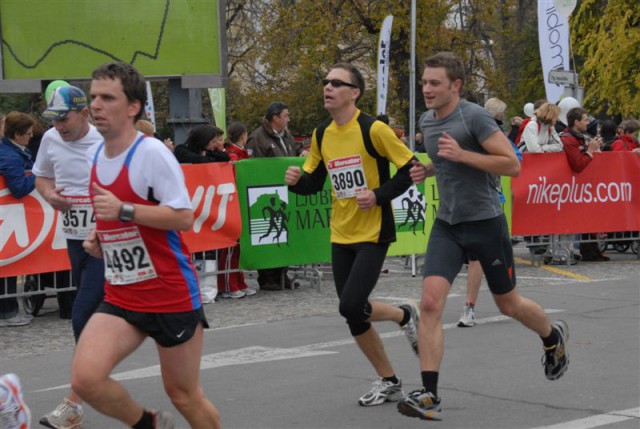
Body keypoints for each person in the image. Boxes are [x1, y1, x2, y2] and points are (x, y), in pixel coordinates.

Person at [397, 52, 569, 421]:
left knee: (509, 305)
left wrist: (461, 155)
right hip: (448, 224)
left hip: (486, 223)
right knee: (429, 303)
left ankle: (552, 338)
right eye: (424, 82)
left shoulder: (474, 116)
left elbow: (512, 164)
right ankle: (430, 394)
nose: (426, 89)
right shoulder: (427, 121)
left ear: (455, 86)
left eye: (434, 83)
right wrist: (428, 168)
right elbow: (446, 162)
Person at [72, 61, 221, 429]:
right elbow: (115, 216)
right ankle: (147, 424)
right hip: (123, 293)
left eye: (108, 98)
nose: (97, 106)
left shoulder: (152, 153)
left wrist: (124, 211)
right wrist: (100, 233)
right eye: (94, 97)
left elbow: (183, 217)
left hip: (170, 294)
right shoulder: (95, 154)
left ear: (133, 106)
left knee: (184, 395)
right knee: (86, 380)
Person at [284, 62, 420, 408]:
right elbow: (315, 183)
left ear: (354, 92)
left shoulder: (373, 130)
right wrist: (298, 182)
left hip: (374, 231)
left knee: (350, 305)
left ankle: (404, 317)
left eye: (336, 83)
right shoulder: (320, 133)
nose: (327, 87)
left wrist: (377, 195)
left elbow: (410, 170)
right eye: (325, 81)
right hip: (341, 232)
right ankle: (391, 375)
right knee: (352, 313)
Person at [33, 85, 106, 429]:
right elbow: (42, 175)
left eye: (64, 118)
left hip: (108, 241)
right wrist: (51, 196)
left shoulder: (106, 141)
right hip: (76, 239)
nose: (59, 125)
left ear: (84, 114)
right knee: (99, 320)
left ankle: (75, 402)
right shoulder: (50, 139)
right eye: (54, 119)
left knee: (81, 316)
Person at [247, 101, 303, 291]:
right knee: (269, 233)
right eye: (286, 115)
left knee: (285, 232)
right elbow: (253, 165)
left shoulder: (286, 135)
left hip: (285, 191)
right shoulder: (257, 137)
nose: (289, 119)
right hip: (266, 194)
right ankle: (267, 276)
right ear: (275, 118)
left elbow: (293, 152)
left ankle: (281, 272)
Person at [0, 111, 36, 327]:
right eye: (28, 133)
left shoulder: (13, 151)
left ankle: (9, 310)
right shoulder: (10, 155)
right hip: (9, 216)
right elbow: (19, 189)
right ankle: (8, 312)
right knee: (8, 263)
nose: (31, 136)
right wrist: (39, 175)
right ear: (18, 134)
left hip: (12, 216)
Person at [217, 121, 256, 298]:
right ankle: (227, 285)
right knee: (231, 246)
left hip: (240, 204)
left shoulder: (240, 154)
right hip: (232, 205)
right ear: (243, 135)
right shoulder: (233, 155)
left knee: (239, 247)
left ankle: (238, 281)